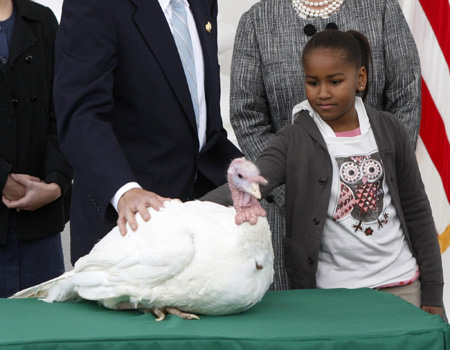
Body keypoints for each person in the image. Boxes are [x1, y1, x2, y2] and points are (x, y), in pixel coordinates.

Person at [203, 29, 444, 318]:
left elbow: (417, 209)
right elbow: (251, 183)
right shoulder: (293, 138)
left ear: (361, 79)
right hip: (331, 296)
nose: (323, 93)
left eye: (335, 81)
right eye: (313, 82)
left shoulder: (390, 129)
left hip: (401, 286)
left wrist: (432, 291)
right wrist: (189, 209)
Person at [229, 0, 422, 290]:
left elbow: (406, 97)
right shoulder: (258, 19)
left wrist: (377, 181)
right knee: (308, 328)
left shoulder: (381, 9)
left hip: (375, 214)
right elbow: (247, 116)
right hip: (291, 215)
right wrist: (298, 191)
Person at [54, 0, 242, 264]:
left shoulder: (202, 4)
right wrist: (125, 191)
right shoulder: (95, 4)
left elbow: (198, 116)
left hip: (203, 227)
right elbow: (81, 115)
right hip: (130, 227)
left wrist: (241, 174)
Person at [0, 0, 73, 297]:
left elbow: (67, 111)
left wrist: (56, 182)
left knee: (43, 328)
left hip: (38, 220)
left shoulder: (42, 21)